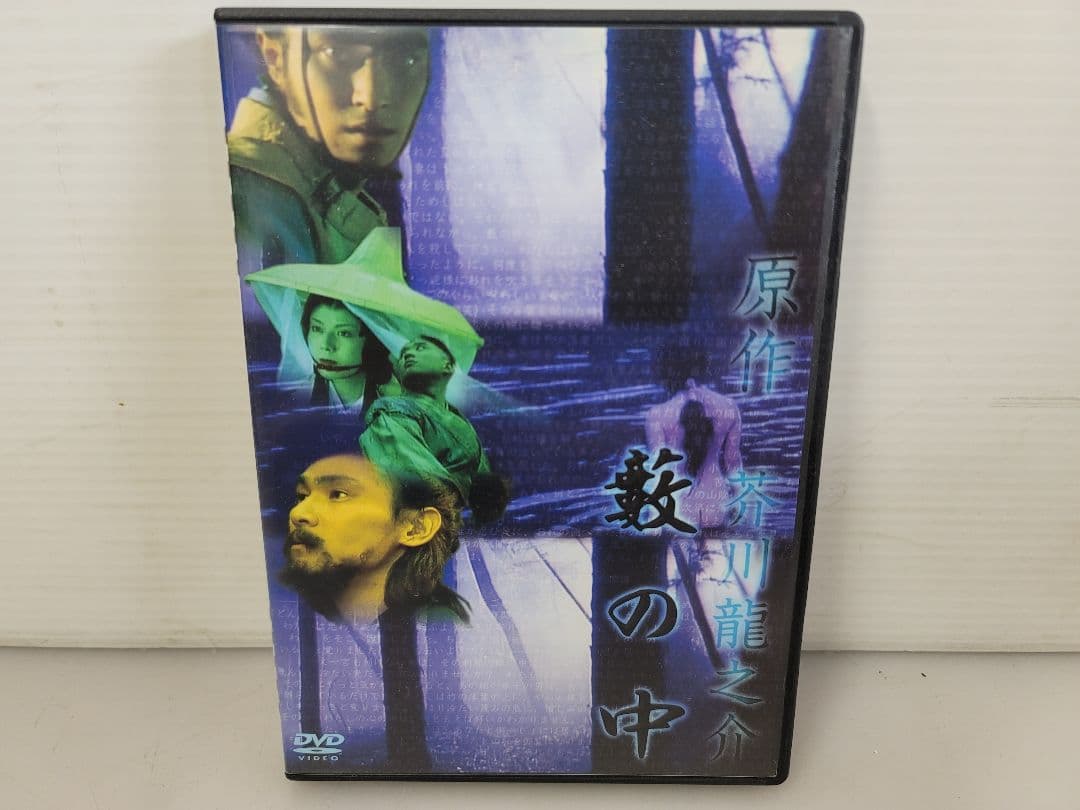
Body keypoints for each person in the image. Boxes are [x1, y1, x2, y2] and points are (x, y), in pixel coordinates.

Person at [227, 25, 431, 275]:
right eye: (336, 54)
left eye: (406, 60)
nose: (372, 98)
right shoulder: (251, 193)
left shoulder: (329, 186)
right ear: (275, 57)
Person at [281, 451, 468, 624]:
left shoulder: (439, 628)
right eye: (302, 496)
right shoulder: (301, 619)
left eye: (338, 494)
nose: (297, 513)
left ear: (416, 527)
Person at [362, 337, 508, 523]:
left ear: (447, 366)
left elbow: (484, 489)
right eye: (404, 353)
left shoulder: (459, 420)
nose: (408, 354)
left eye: (420, 348)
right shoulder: (390, 412)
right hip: (424, 522)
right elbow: (410, 476)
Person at [645, 345, 743, 531]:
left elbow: (659, 473)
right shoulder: (729, 407)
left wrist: (652, 526)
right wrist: (739, 508)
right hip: (717, 507)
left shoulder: (657, 415)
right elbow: (733, 464)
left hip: (678, 511)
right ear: (704, 367)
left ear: (667, 371)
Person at [299, 294, 395, 409]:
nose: (326, 345)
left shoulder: (396, 401)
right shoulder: (297, 395)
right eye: (317, 328)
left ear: (371, 340)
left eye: (344, 333)